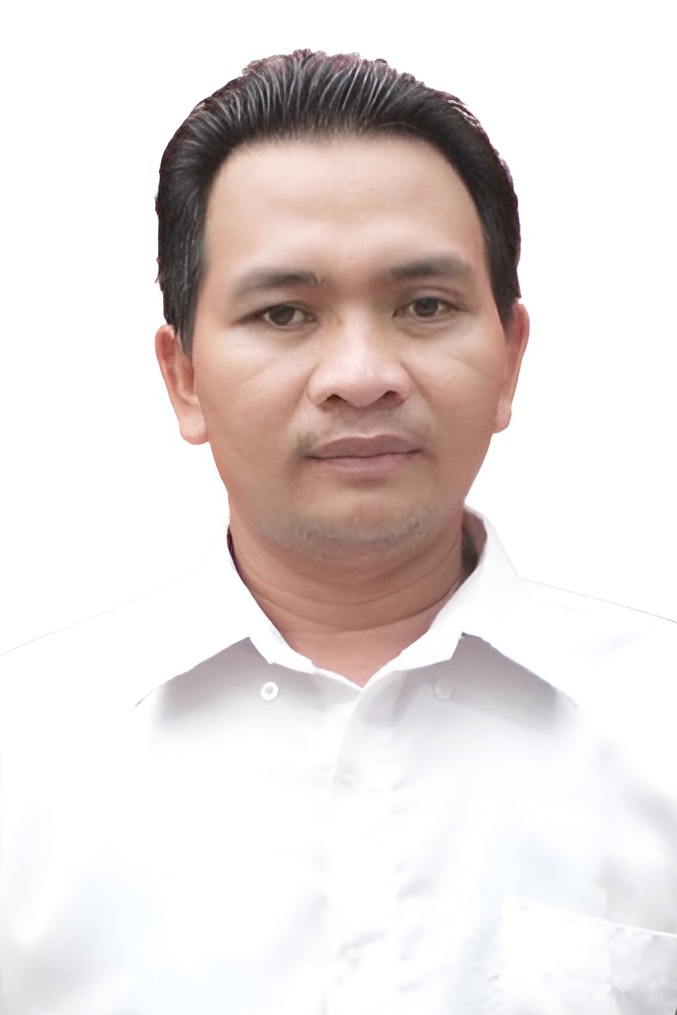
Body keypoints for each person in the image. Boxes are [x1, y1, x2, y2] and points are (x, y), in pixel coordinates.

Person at [1, 50, 676, 1015]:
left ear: (509, 359)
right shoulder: (23, 753)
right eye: (284, 312)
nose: (361, 376)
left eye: (424, 306)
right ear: (183, 377)